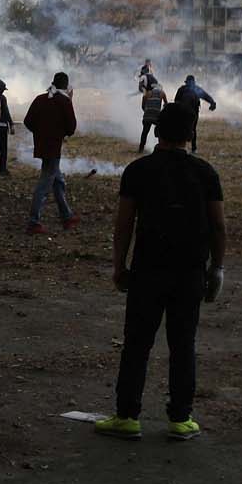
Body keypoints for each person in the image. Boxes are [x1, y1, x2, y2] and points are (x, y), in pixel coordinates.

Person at [96, 104, 226, 442]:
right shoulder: (206, 173)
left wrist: (118, 266)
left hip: (148, 270)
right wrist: (218, 270)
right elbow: (219, 227)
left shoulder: (138, 171)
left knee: (136, 345)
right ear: (191, 134)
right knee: (183, 345)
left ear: (156, 131)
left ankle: (127, 417)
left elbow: (123, 225)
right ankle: (181, 420)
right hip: (190, 272)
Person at [22, 72, 78, 234]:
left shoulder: (40, 99)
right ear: (66, 87)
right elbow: (71, 128)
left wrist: (40, 133)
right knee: (45, 183)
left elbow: (28, 121)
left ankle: (66, 216)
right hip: (54, 148)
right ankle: (33, 222)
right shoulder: (64, 101)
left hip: (42, 145)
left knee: (57, 181)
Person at [172, 75, 216, 154]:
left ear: (186, 82)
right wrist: (212, 103)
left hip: (182, 112)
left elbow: (176, 101)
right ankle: (194, 148)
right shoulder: (196, 89)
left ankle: (180, 147)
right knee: (193, 130)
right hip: (193, 113)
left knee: (181, 128)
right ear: (193, 82)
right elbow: (206, 97)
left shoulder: (182, 89)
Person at [137, 79, 167, 153]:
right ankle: (162, 147)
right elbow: (166, 104)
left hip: (147, 115)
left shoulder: (147, 93)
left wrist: (146, 111)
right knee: (161, 131)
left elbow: (143, 105)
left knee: (145, 132)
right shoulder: (162, 93)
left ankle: (141, 149)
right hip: (156, 116)